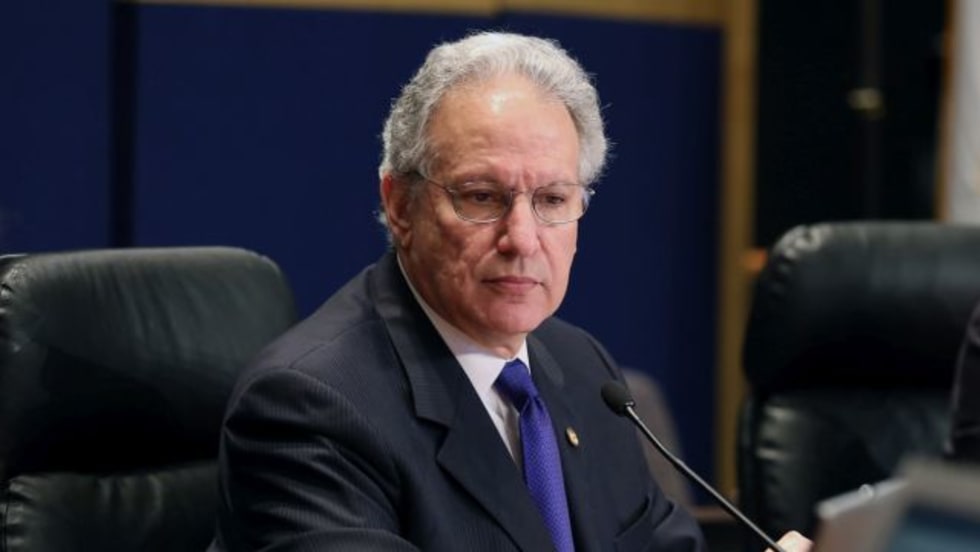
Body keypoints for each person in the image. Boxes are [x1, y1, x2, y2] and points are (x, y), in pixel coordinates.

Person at [211, 31, 811, 552]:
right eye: (481, 197)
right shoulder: (312, 408)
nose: (522, 238)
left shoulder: (583, 370)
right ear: (399, 206)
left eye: (552, 199)